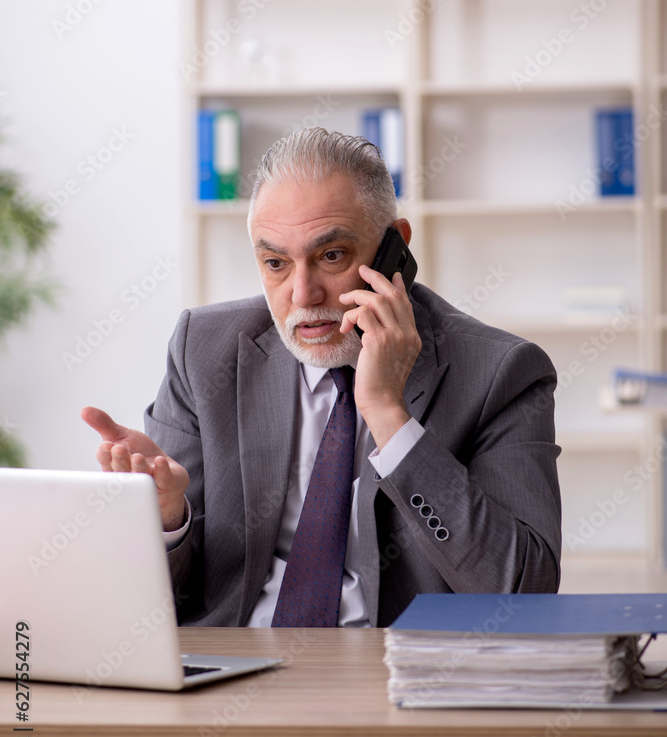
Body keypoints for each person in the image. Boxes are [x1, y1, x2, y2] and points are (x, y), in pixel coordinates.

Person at [83, 127, 561, 628]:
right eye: (276, 263)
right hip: (230, 671)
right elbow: (159, 600)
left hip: (397, 678)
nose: (303, 294)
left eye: (331, 256)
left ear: (394, 248)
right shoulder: (203, 351)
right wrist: (167, 516)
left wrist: (389, 415)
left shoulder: (500, 371)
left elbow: (522, 590)